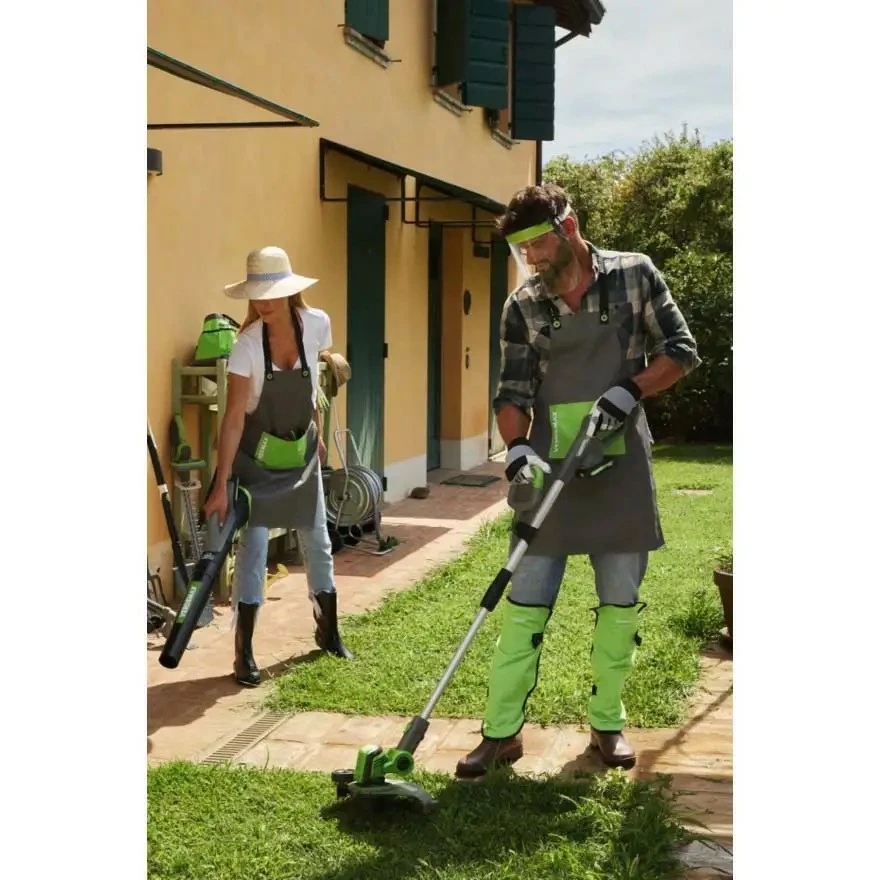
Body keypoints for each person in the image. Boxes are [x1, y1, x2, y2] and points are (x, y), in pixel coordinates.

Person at [455, 184, 700, 777]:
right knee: (524, 602)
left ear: (568, 227)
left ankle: (607, 725)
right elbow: (512, 392)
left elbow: (682, 349)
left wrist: (631, 388)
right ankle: (501, 732)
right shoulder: (523, 305)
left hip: (620, 467)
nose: (531, 259)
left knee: (619, 603)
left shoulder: (634, 275)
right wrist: (517, 449)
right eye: (522, 250)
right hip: (549, 472)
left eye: (536, 245)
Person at [203, 245, 353, 688]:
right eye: (257, 294)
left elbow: (314, 384)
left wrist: (317, 430)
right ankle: (244, 651)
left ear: (289, 292)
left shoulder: (317, 324)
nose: (263, 303)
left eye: (271, 293)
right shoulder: (246, 346)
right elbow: (233, 419)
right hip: (256, 461)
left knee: (318, 543)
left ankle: (329, 632)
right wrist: (221, 484)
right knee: (253, 552)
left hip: (300, 454)